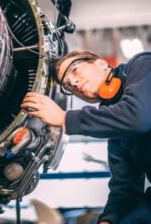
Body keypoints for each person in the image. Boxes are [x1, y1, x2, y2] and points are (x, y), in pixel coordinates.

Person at [21, 50, 151, 224]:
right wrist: (108, 220)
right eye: (68, 86)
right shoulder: (116, 134)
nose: (73, 83)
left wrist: (65, 118)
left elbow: (137, 117)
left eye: (75, 71)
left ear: (101, 63)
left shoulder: (142, 64)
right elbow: (125, 191)